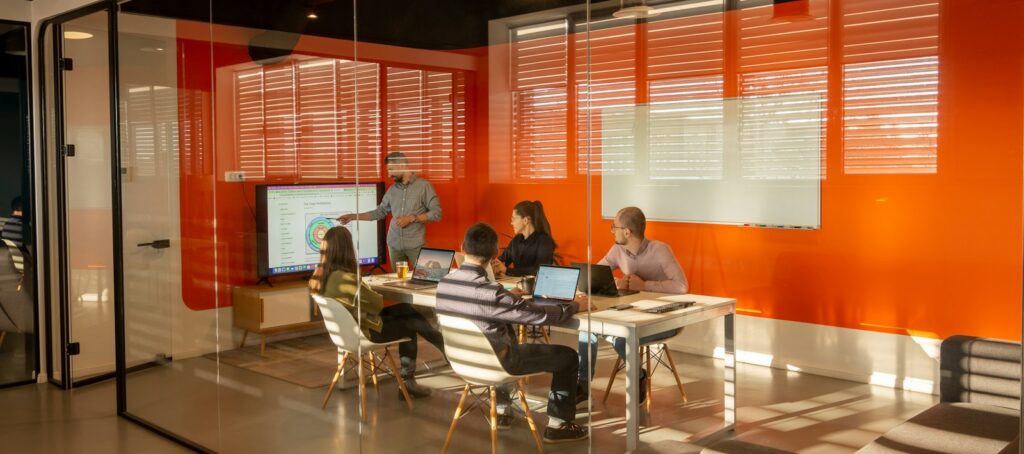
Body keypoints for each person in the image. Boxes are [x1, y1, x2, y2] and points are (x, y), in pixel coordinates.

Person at [436, 223, 589, 443]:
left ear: (462, 247)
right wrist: (574, 305)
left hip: (462, 362)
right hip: (496, 365)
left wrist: (511, 300)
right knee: (567, 356)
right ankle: (559, 424)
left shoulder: (444, 284)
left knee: (498, 335)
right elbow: (540, 316)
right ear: (495, 254)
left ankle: (502, 408)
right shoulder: (491, 293)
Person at [310, 226, 445, 399]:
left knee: (405, 309)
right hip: (367, 332)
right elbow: (376, 305)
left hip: (349, 332)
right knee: (411, 323)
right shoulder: (346, 279)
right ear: (346, 249)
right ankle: (410, 380)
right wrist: (364, 286)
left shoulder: (321, 276)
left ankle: (441, 351)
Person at [577, 206, 688, 403]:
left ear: (627, 232)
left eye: (614, 227)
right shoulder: (617, 250)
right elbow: (595, 274)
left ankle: (638, 376)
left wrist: (645, 285)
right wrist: (615, 282)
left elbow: (681, 286)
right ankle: (583, 386)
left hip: (662, 320)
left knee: (622, 338)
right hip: (630, 315)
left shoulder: (660, 250)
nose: (612, 230)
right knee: (587, 327)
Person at [337, 152, 441, 270]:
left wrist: (412, 218)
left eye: (391, 169)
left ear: (402, 166)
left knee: (428, 278)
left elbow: (436, 214)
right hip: (394, 244)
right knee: (399, 281)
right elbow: (380, 212)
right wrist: (352, 216)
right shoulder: (392, 190)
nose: (389, 174)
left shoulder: (424, 186)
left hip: (416, 245)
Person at [491, 200, 556, 277]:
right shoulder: (516, 240)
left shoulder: (544, 241)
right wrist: (493, 264)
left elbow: (539, 270)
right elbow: (502, 259)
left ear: (526, 220)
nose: (511, 223)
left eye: (513, 219)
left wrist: (506, 270)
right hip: (516, 286)